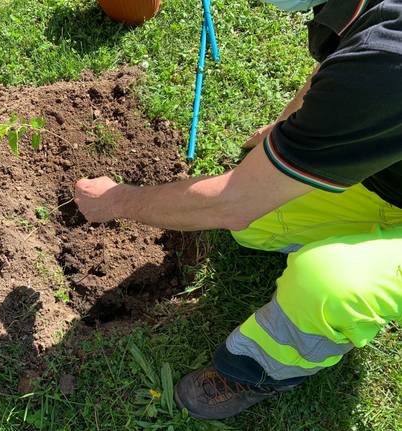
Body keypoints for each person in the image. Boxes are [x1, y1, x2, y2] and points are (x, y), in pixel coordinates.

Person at [73, 0, 402, 420]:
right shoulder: (365, 14)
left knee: (325, 284)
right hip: (390, 182)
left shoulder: (388, 59)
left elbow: (234, 203)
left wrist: (117, 200)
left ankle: (259, 369)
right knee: (262, 222)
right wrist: (285, 127)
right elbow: (338, 67)